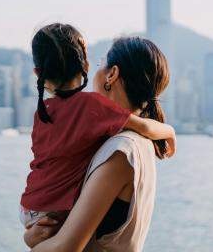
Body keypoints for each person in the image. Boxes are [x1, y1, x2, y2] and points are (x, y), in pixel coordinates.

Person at [21, 24, 176, 237]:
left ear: (112, 74)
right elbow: (145, 126)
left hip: (30, 207)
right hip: (49, 214)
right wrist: (169, 131)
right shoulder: (114, 134)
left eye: (100, 64)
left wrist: (30, 239)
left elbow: (66, 247)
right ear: (83, 65)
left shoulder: (121, 150)